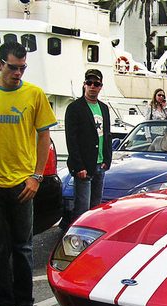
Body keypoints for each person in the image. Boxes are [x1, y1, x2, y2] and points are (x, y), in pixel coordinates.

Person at [0, 41, 57, 306]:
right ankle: (0, 305)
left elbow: (43, 137)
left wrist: (36, 176)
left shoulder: (34, 94)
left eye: (22, 68)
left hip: (22, 182)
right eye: (12, 67)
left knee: (23, 246)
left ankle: (24, 301)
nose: (17, 73)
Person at [65, 69, 112, 223]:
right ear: (84, 84)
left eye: (96, 84)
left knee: (96, 209)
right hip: (84, 167)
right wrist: (78, 166)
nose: (93, 86)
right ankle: (76, 240)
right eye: (90, 83)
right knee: (82, 209)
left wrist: (107, 159)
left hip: (100, 166)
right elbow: (71, 140)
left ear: (101, 86)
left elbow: (107, 134)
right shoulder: (74, 108)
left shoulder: (104, 108)